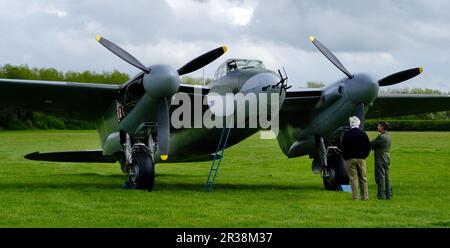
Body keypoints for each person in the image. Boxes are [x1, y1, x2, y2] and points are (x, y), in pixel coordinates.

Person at [341, 116, 371, 200]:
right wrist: (364, 156)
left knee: (353, 179)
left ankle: (355, 197)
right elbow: (368, 146)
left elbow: (342, 147)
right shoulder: (363, 133)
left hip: (350, 159)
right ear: (358, 123)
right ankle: (365, 196)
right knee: (363, 178)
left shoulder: (347, 134)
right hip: (361, 159)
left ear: (350, 124)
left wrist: (345, 157)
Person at [370, 121, 392, 200]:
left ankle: (381, 195)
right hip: (387, 156)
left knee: (380, 177)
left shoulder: (381, 137)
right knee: (387, 177)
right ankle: (389, 195)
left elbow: (371, 144)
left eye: (379, 126)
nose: (377, 127)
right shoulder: (388, 136)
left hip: (381, 157)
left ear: (382, 127)